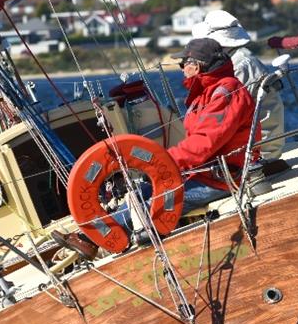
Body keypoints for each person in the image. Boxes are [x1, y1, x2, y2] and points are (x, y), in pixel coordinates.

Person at [52, 38, 268, 258]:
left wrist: (160, 163)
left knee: (148, 204)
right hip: (201, 174)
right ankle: (90, 239)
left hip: (222, 179)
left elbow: (204, 143)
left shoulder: (226, 92)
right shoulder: (207, 92)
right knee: (138, 194)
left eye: (184, 64)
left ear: (198, 65)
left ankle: (93, 239)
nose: (182, 69)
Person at [192, 10, 285, 162]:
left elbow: (229, 114)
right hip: (259, 144)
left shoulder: (239, 65)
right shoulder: (236, 59)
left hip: (260, 152)